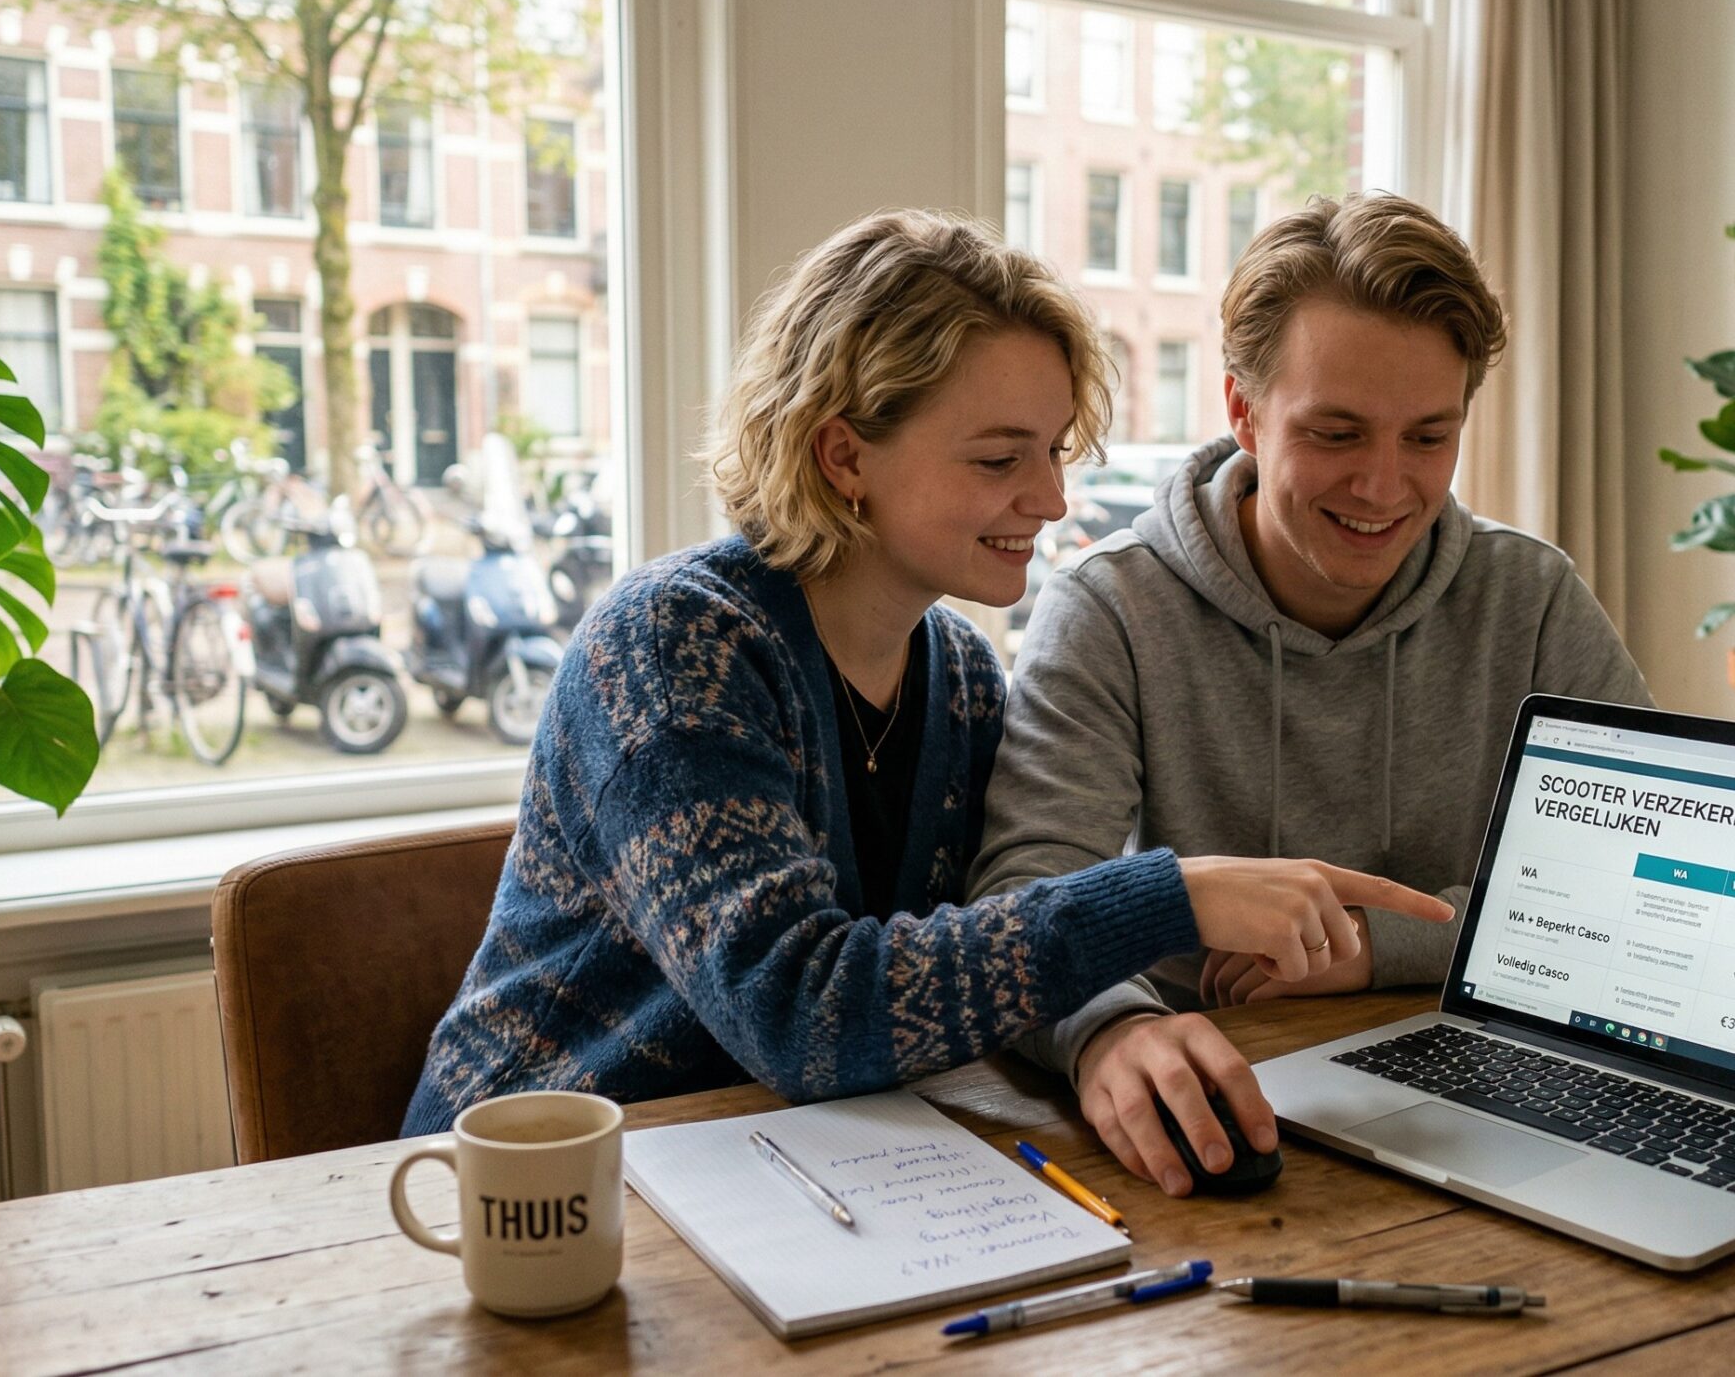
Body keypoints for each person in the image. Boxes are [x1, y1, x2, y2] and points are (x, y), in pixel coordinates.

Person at [402, 208, 1452, 1136]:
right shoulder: (671, 645)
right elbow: (801, 1012)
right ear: (844, 456)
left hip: (791, 1169)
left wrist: (1109, 1028)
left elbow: (975, 961)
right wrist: (1168, 899)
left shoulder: (957, 677)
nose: (1048, 501)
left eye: (1053, 452)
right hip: (525, 1189)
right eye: (999, 459)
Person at [968, 193, 1653, 1197]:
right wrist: (1107, 1031)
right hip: (1213, 1116)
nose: (1383, 487)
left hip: (1491, 1109)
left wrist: (1374, 946)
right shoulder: (1111, 607)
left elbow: (1643, 881)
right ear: (1242, 409)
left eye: (1428, 438)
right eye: (1335, 433)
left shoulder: (1532, 597)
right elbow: (1022, 893)